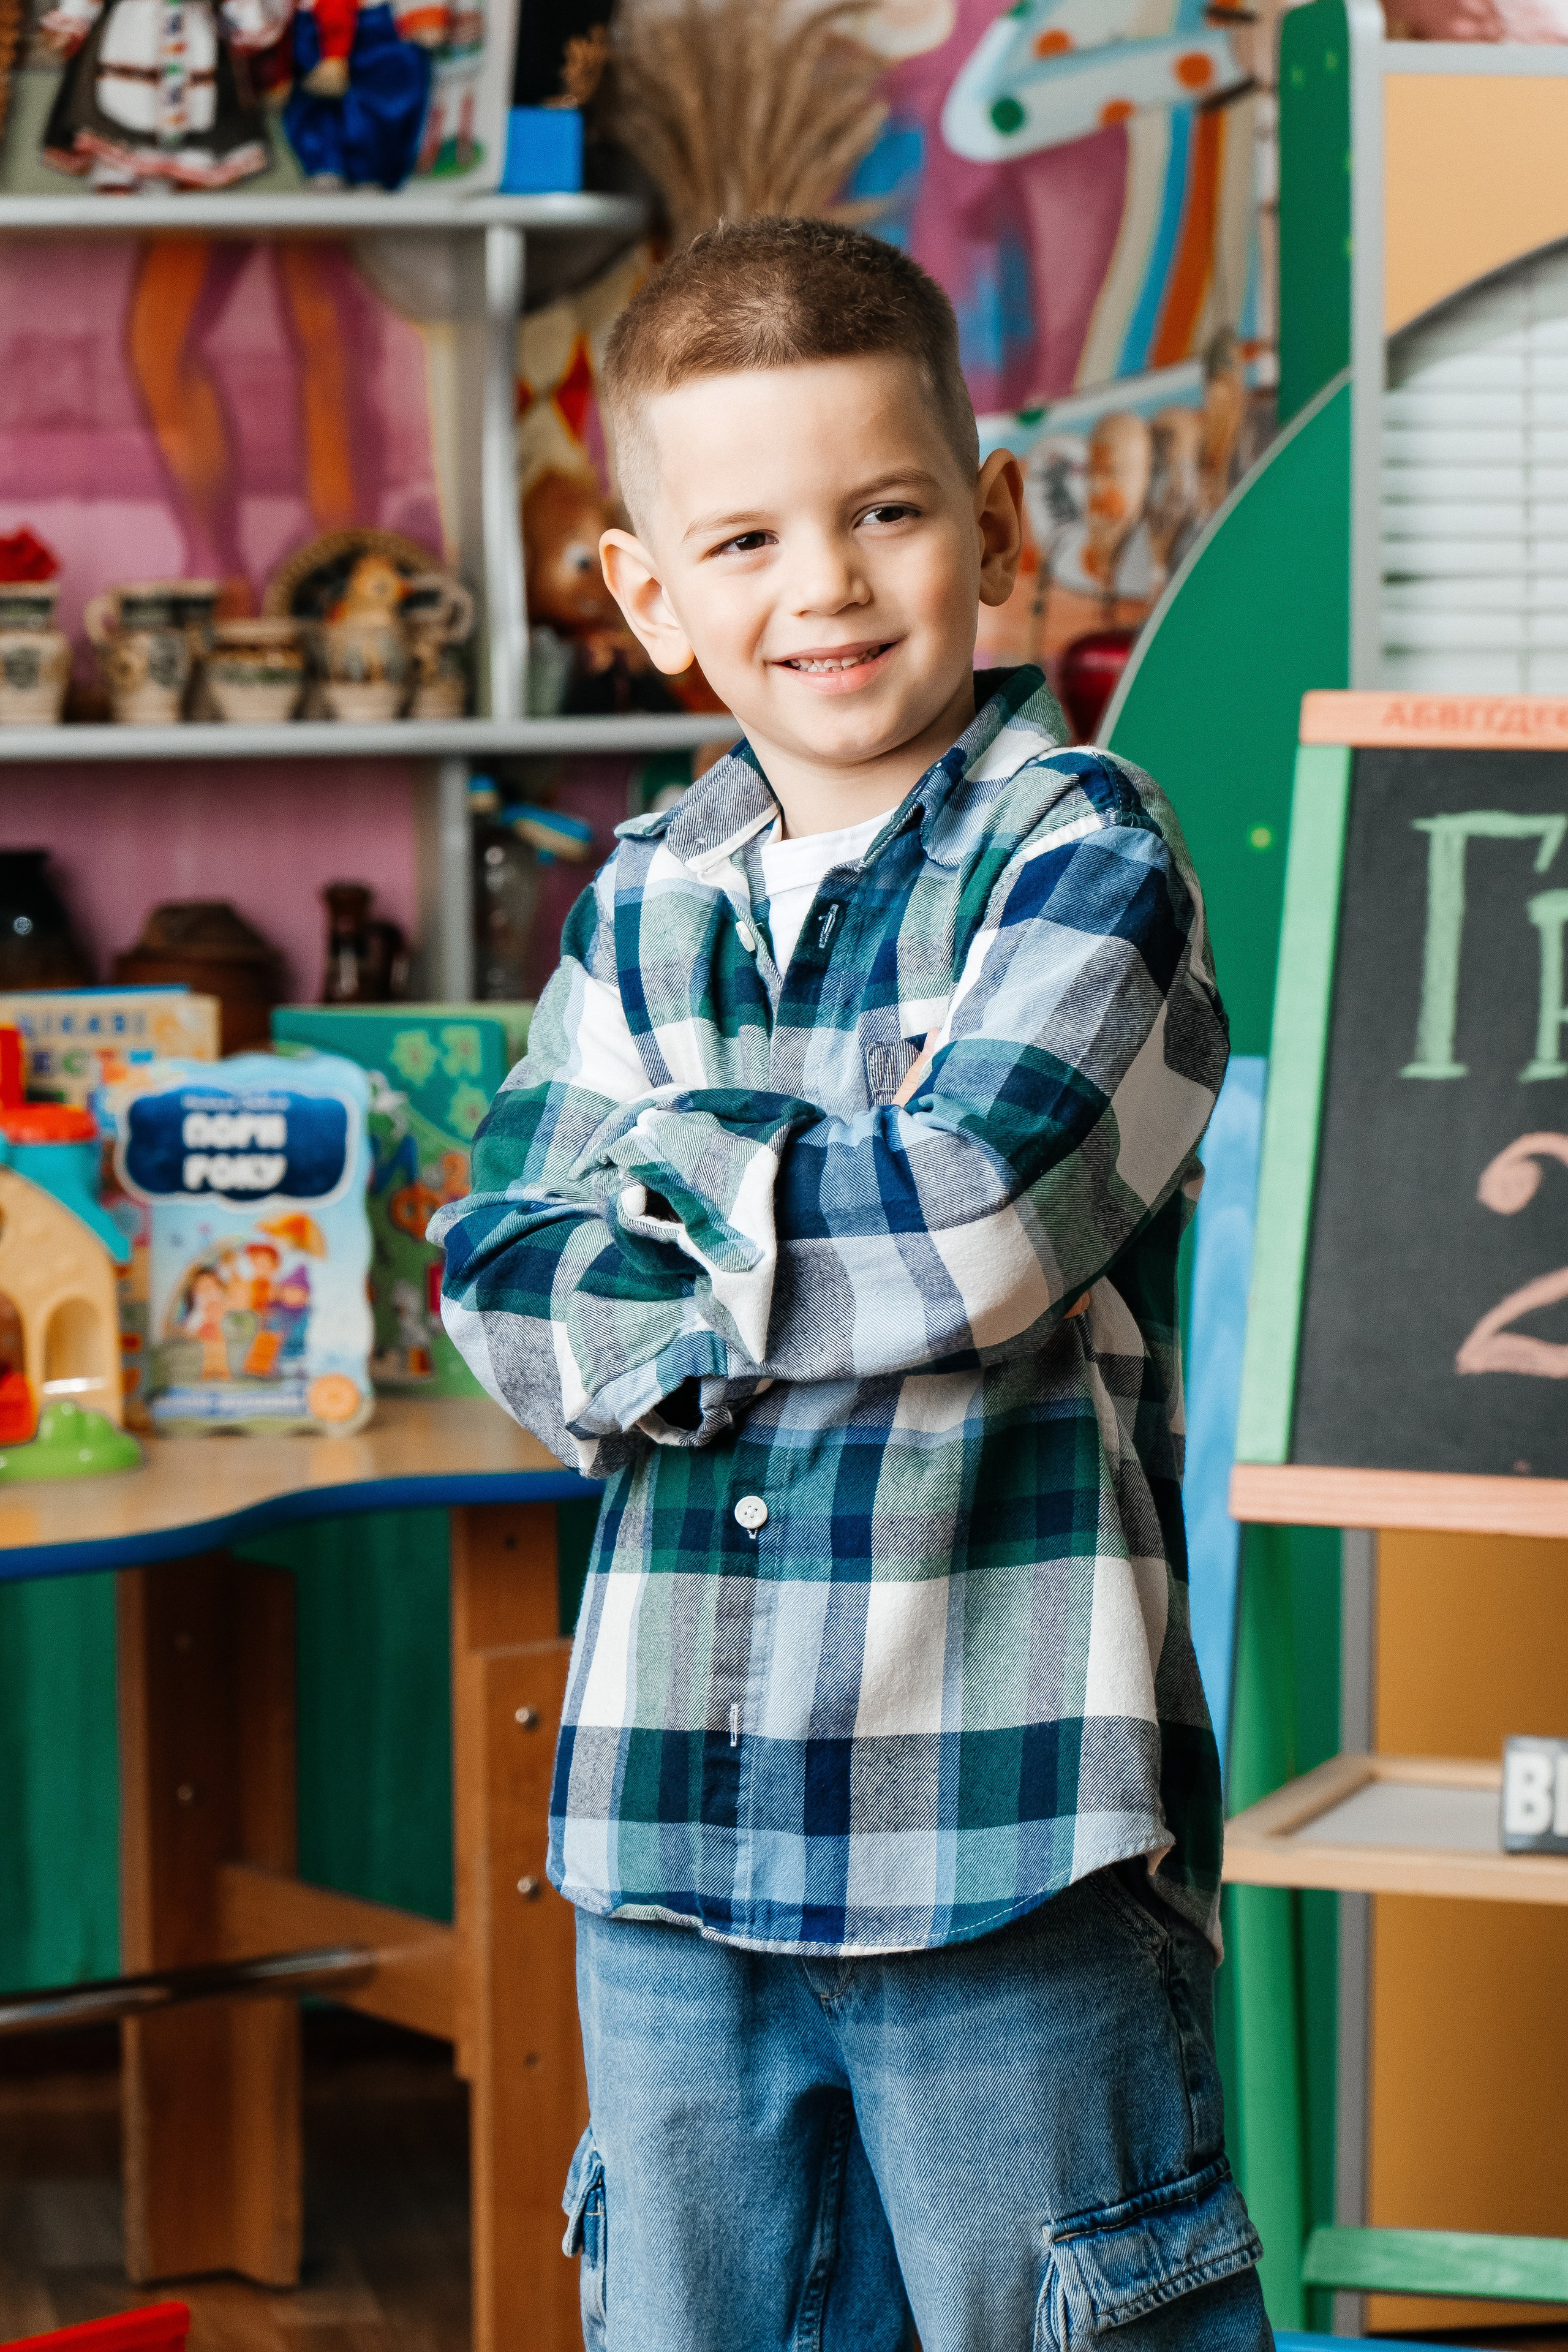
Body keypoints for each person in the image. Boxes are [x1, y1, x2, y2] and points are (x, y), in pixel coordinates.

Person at [432, 216, 1266, 2352]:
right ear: (650, 598)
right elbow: (502, 1279)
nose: (821, 587)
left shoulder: (1094, 861)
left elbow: (983, 1219)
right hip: (669, 1837)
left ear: (990, 525)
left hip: (1000, 1839)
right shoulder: (643, 907)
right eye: (745, 541)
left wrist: (675, 1180)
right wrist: (807, 1203)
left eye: (886, 512)